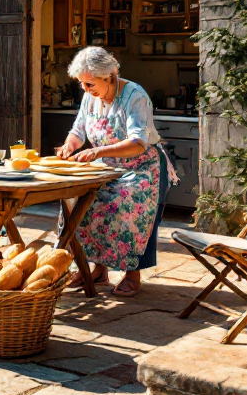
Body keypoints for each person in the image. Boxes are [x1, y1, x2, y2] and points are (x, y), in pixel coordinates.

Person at [56, 46, 174, 297]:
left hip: (141, 167)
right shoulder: (90, 96)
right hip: (107, 167)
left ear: (109, 77)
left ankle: (133, 273)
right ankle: (96, 269)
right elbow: (78, 130)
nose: (86, 90)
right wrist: (69, 145)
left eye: (90, 84)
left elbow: (138, 142)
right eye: (82, 85)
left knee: (122, 201)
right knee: (77, 198)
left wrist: (99, 152)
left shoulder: (134, 96)